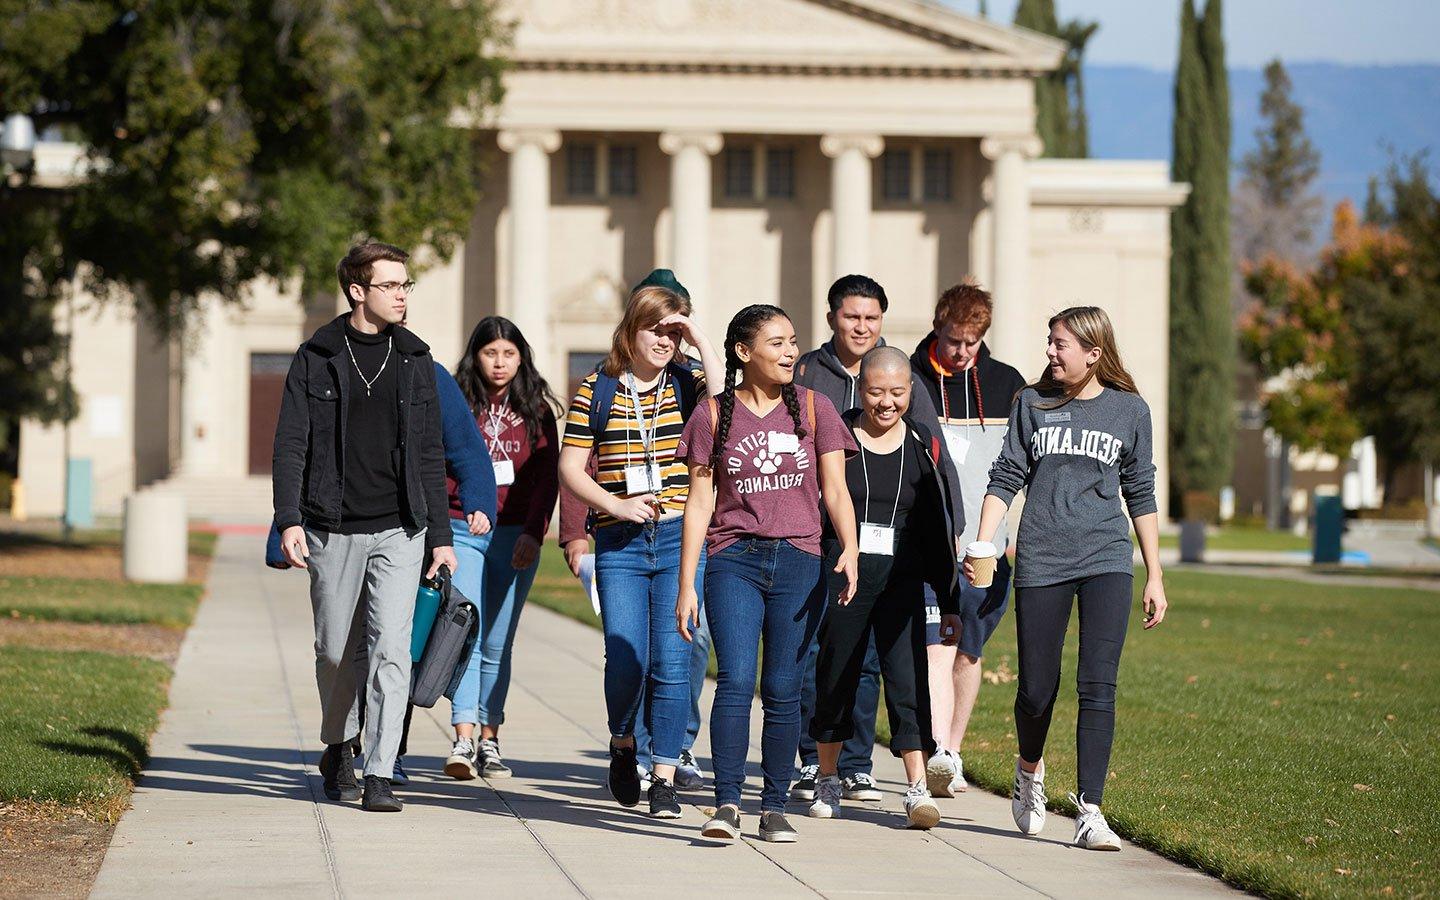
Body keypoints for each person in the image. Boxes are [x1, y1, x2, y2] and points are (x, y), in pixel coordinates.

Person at [967, 306, 1167, 851]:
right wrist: (984, 542)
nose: (1051, 352)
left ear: (1093, 354)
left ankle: (1091, 810)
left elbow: (1141, 491)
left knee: (1098, 685)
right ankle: (1028, 772)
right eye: (1049, 342)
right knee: (1035, 690)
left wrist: (1154, 574)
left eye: (1061, 344)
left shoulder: (1130, 410)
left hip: (1105, 558)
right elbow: (1006, 474)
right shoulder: (1031, 403)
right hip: (1042, 558)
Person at [272, 241, 457, 813]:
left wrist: (441, 538)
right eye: (391, 285)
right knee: (334, 651)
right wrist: (289, 518)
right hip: (332, 526)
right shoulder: (316, 356)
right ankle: (339, 743)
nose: (403, 295)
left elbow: (430, 452)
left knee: (391, 650)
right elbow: (291, 443)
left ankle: (379, 769)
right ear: (358, 291)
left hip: (399, 528)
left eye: (406, 285)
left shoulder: (415, 359)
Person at [675, 303, 859, 844]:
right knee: (735, 680)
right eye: (776, 343)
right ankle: (726, 804)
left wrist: (848, 547)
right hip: (734, 560)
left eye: (793, 341)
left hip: (801, 560)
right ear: (744, 353)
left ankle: (773, 805)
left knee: (783, 686)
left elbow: (836, 490)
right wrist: (687, 583)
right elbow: (699, 504)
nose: (790, 352)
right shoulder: (713, 414)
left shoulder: (814, 407)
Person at [791, 274, 963, 804]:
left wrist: (951, 596)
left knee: (906, 680)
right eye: (874, 392)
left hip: (903, 582)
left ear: (910, 393)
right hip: (845, 576)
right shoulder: (836, 437)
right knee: (836, 672)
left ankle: (915, 789)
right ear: (858, 390)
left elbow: (936, 526)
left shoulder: (921, 446)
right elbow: (813, 497)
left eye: (896, 393)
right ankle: (826, 776)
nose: (885, 403)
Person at [558, 275, 724, 818]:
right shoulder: (596, 387)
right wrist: (613, 505)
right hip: (622, 542)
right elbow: (569, 467)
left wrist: (699, 338)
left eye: (671, 333)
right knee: (627, 658)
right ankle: (624, 743)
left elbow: (725, 417)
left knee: (676, 661)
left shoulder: (688, 381)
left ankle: (665, 775)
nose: (663, 341)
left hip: (679, 537)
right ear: (629, 331)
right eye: (654, 329)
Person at [907, 282, 1026, 798]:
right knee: (936, 645)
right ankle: (935, 749)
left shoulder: (1006, 385)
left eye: (971, 343)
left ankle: (953, 750)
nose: (961, 352)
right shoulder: (909, 380)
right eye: (953, 340)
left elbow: (1021, 464)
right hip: (927, 541)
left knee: (968, 651)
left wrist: (1011, 536)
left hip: (987, 545)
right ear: (938, 327)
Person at [441, 316, 560, 780]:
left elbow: (547, 477)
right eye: (491, 352)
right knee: (465, 630)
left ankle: (491, 737)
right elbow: (442, 460)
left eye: (509, 353)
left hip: (515, 533)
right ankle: (463, 737)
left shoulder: (535, 410)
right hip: (465, 527)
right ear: (476, 356)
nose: (500, 362)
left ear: (521, 358)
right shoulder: (456, 402)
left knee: (497, 642)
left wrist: (534, 531)